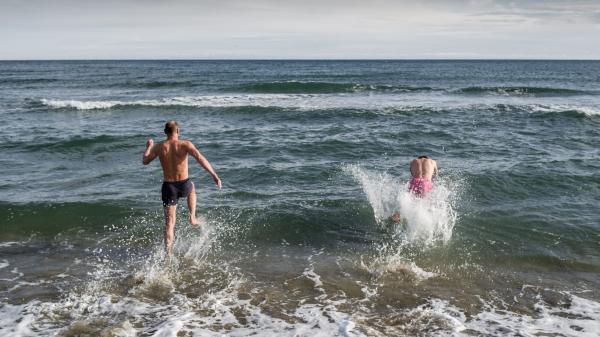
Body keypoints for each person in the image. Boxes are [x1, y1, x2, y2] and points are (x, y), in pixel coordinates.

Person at [142, 120, 221, 255]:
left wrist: (149, 146)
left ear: (165, 132)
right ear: (178, 131)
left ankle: (168, 254)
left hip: (169, 187)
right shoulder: (185, 144)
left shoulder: (160, 147)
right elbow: (200, 158)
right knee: (192, 187)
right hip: (184, 184)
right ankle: (192, 217)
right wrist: (214, 175)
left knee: (170, 224)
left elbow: (145, 161)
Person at [391, 156, 438, 223]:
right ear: (427, 158)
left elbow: (412, 174)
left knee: (409, 201)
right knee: (428, 204)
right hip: (426, 183)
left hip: (414, 181)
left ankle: (397, 216)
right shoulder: (433, 162)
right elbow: (436, 176)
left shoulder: (413, 162)